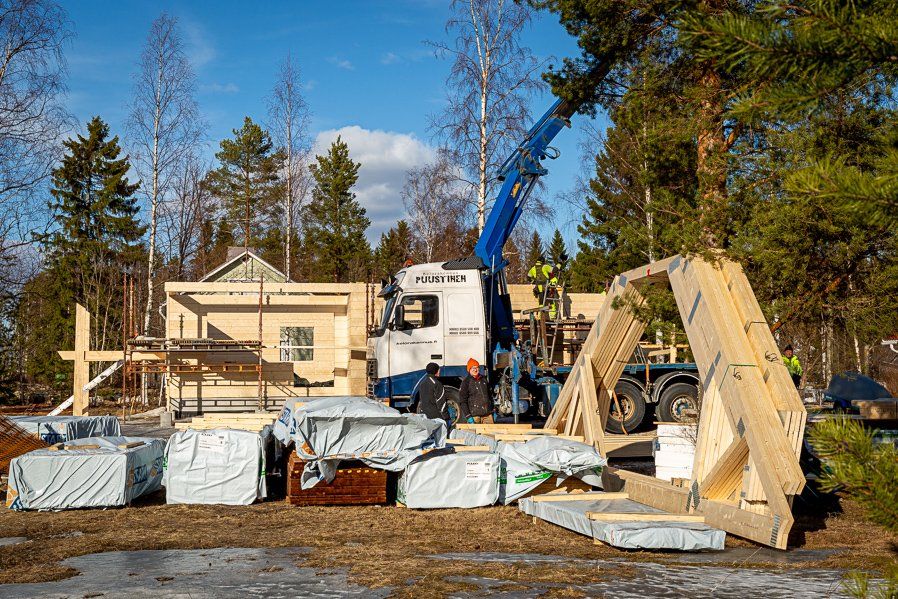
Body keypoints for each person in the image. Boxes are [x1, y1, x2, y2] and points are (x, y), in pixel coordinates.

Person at [458, 358, 493, 424]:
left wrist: (492, 408)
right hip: (474, 417)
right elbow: (463, 401)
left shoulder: (484, 379)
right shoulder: (466, 382)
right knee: (474, 434)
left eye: (477, 367)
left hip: (487, 415)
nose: (475, 370)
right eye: (473, 368)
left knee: (490, 434)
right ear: (469, 369)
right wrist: (468, 416)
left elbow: (490, 395)